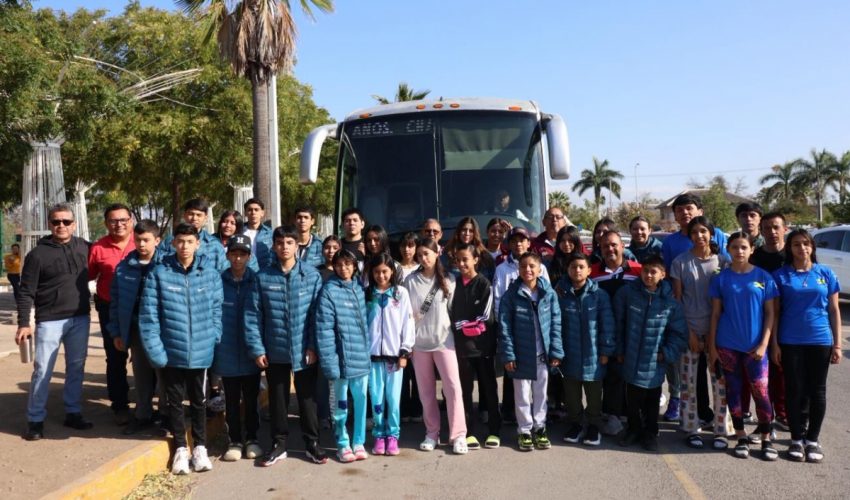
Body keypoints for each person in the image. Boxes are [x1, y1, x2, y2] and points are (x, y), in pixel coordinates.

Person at [140, 223, 223, 474]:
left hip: (201, 351)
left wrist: (213, 336)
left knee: (199, 401)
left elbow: (217, 309)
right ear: (173, 243)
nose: (185, 246)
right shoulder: (159, 274)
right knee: (174, 402)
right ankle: (180, 448)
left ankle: (200, 448)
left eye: (189, 241)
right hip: (171, 352)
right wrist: (156, 351)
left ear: (198, 244)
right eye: (180, 241)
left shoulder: (209, 274)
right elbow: (149, 316)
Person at [245, 225, 326, 466]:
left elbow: (317, 315)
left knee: (307, 399)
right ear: (274, 246)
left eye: (289, 243)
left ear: (297, 246)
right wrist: (258, 348)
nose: (284, 247)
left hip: (304, 351)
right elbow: (253, 315)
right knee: (278, 399)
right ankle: (278, 444)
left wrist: (313, 346)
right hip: (275, 350)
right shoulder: (263, 277)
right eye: (279, 243)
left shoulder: (311, 276)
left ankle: (312, 443)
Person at [17, 203, 92, 441]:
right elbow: (26, 291)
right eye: (56, 221)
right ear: (49, 224)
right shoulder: (37, 255)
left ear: (74, 224)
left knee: (76, 368)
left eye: (66, 221)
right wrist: (24, 323)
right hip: (49, 321)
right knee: (42, 371)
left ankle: (73, 412)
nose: (61, 225)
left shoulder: (84, 247)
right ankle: (35, 420)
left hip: (80, 318)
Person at [772, 229, 842, 463]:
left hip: (820, 340)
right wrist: (774, 344)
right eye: (796, 244)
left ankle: (812, 439)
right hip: (790, 341)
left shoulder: (825, 273)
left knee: (817, 391)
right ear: (789, 249)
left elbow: (834, 310)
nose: (801, 248)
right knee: (794, 390)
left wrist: (837, 345)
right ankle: (796, 438)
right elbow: (775, 313)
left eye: (805, 243)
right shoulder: (780, 276)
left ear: (812, 247)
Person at [708, 232, 779, 461]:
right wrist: (712, 348)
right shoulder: (721, 279)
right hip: (727, 345)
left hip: (756, 348)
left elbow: (770, 314)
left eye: (744, 247)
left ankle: (766, 438)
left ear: (751, 250)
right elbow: (715, 314)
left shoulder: (764, 277)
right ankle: (741, 436)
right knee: (734, 392)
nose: (739, 251)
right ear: (728, 249)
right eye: (735, 247)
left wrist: (764, 344)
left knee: (761, 392)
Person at [670, 216, 734, 450]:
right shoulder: (680, 262)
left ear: (711, 234)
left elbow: (728, 300)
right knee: (688, 384)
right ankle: (691, 428)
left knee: (720, 383)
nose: (699, 236)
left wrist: (714, 337)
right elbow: (677, 301)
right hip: (690, 331)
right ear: (689, 235)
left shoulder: (724, 262)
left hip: (719, 333)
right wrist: (689, 333)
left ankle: (721, 430)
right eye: (695, 232)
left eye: (704, 231)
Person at [614, 255, 687, 452]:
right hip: (631, 359)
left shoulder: (670, 303)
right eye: (645, 271)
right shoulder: (627, 294)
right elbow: (619, 324)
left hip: (655, 361)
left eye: (653, 272)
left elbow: (678, 334)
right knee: (632, 400)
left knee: (652, 401)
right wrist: (619, 350)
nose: (648, 275)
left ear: (663, 274)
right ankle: (633, 430)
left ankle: (650, 433)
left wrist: (665, 354)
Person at [402, 238, 468, 454]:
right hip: (419, 344)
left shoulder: (449, 279)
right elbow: (406, 314)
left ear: (437, 253)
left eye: (427, 254)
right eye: (420, 255)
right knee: (426, 392)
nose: (423, 258)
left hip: (444, 342)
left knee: (453, 388)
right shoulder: (410, 281)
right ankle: (432, 433)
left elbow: (454, 311)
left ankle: (458, 435)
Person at [498, 251, 563, 451]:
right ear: (518, 269)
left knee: (541, 394)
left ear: (540, 269)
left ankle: (540, 428)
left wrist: (556, 351)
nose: (528, 269)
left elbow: (556, 324)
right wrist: (509, 354)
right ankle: (525, 430)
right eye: (523, 266)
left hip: (542, 354)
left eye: (532, 266)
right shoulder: (511, 295)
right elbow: (505, 327)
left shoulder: (549, 294)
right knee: (522, 396)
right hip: (521, 355)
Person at [108, 220, 164, 435]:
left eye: (146, 240)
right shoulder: (124, 267)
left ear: (157, 240)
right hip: (135, 329)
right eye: (138, 240)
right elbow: (115, 302)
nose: (141, 244)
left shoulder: (167, 265)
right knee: (141, 375)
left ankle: (166, 415)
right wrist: (117, 332)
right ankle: (143, 414)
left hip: (162, 330)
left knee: (164, 375)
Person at [315, 249, 371, 463]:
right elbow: (324, 330)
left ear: (355, 266)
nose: (344, 268)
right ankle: (342, 443)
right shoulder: (329, 291)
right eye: (339, 264)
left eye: (348, 264)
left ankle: (359, 442)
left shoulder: (359, 288)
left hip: (361, 359)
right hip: (340, 360)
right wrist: (330, 362)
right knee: (340, 406)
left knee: (361, 403)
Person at [492, 227, 550, 424]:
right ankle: (514, 415)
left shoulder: (540, 268)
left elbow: (547, 298)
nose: (518, 244)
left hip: (537, 331)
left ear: (528, 243)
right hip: (513, 328)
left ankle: (539, 421)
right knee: (514, 376)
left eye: (522, 240)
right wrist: (503, 325)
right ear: (508, 244)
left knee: (539, 383)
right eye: (514, 240)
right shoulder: (502, 269)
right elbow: (498, 299)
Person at [556, 253, 615, 447]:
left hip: (594, 356)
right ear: (567, 270)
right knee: (571, 396)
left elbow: (607, 325)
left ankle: (593, 426)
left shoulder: (599, 296)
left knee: (594, 396)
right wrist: (556, 352)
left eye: (581, 267)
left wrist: (606, 351)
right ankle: (576, 424)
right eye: (573, 267)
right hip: (569, 355)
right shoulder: (560, 294)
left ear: (589, 270)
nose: (577, 270)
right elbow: (555, 325)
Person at [214, 234, 263, 462]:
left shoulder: (257, 281)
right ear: (228, 255)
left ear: (249, 256)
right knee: (231, 400)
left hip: (250, 350)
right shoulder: (218, 281)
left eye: (242, 254)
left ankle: (252, 438)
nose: (238, 258)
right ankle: (234, 440)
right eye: (234, 253)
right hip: (226, 350)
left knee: (251, 399)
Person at [589, 230, 642, 435]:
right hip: (602, 332)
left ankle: (634, 417)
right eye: (605, 246)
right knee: (610, 374)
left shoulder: (638, 270)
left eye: (613, 245)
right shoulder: (592, 272)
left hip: (631, 331)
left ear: (622, 246)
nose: (610, 249)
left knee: (630, 375)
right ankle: (611, 415)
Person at [88, 203, 136, 425]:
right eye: (113, 221)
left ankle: (146, 405)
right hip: (110, 309)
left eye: (123, 220)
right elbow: (88, 275)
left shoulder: (142, 241)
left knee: (146, 358)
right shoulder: (98, 247)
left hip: (141, 309)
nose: (119, 224)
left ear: (131, 221)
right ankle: (120, 405)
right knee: (116, 357)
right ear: (106, 223)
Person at [450, 243, 501, 450]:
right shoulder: (454, 284)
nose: (462, 264)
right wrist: (464, 326)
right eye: (458, 260)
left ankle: (494, 431)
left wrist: (462, 325)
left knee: (489, 389)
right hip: (462, 349)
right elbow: (451, 314)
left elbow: (485, 318)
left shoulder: (484, 284)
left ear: (475, 260)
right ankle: (468, 432)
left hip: (484, 348)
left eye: (466, 259)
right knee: (464, 391)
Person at [364, 253, 415, 456]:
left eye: (385, 271)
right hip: (373, 357)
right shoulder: (367, 294)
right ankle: (379, 434)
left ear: (392, 272)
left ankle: (393, 435)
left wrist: (405, 350)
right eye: (377, 272)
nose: (381, 276)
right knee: (376, 399)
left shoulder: (400, 293)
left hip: (394, 357)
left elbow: (408, 323)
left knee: (393, 399)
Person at [747, 212, 789, 430]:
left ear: (785, 229)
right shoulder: (755, 258)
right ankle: (765, 415)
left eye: (776, 227)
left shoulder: (792, 254)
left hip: (789, 320)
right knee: (763, 373)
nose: (772, 232)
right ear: (761, 231)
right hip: (761, 321)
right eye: (767, 228)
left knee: (783, 370)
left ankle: (783, 413)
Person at [661, 193, 729, 270]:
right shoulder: (669, 241)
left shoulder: (716, 234)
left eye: (689, 208)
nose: (685, 212)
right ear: (675, 216)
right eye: (680, 210)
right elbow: (667, 270)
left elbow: (728, 265)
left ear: (700, 212)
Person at [159, 198, 228, 272]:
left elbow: (224, 271)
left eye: (199, 215)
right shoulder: (169, 242)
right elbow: (159, 263)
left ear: (205, 217)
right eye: (191, 214)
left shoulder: (214, 244)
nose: (194, 218)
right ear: (184, 215)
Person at [396, 232, 422, 424]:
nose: (407, 249)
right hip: (400, 325)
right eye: (404, 245)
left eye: (411, 245)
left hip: (420, 325)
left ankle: (418, 408)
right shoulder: (395, 268)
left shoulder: (422, 267)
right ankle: (404, 408)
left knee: (419, 371)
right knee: (403, 370)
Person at [444, 217, 495, 281]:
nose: (467, 233)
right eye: (464, 230)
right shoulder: (448, 254)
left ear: (475, 233)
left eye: (471, 231)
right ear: (459, 232)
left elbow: (490, 280)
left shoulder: (485, 256)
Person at [242, 198, 273, 269]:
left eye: (256, 210)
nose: (253, 212)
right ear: (245, 213)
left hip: (264, 271)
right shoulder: (239, 232)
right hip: (243, 272)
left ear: (262, 213)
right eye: (250, 210)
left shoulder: (270, 234)